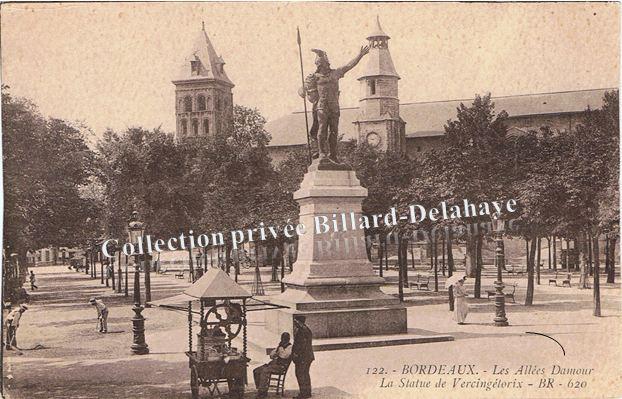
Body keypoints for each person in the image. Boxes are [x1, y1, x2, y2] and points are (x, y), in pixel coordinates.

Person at [300, 45, 369, 162]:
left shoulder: (335, 73)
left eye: (326, 64)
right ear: (319, 65)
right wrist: (302, 91)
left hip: (334, 106)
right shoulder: (314, 77)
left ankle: (333, 154)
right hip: (321, 106)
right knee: (322, 129)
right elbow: (303, 88)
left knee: (334, 131)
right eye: (322, 65)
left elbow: (349, 65)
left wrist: (360, 55)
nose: (325, 66)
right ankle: (322, 153)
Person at [253, 332, 292, 398]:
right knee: (256, 370)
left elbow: (284, 356)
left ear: (288, 339)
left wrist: (280, 348)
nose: (283, 340)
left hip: (281, 367)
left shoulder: (290, 347)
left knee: (265, 371)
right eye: (282, 338)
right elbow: (271, 356)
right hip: (274, 364)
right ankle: (260, 388)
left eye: (285, 339)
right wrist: (276, 351)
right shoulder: (280, 346)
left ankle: (262, 392)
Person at [292, 315, 314, 399]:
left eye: (295, 321)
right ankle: (307, 392)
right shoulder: (305, 329)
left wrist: (296, 354)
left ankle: (303, 394)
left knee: (300, 374)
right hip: (307, 357)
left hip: (303, 357)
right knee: (305, 374)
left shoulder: (302, 331)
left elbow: (302, 345)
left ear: (299, 322)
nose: (294, 323)